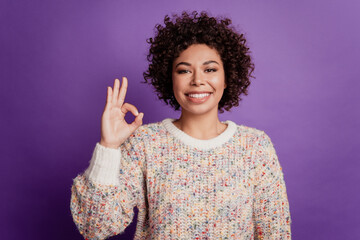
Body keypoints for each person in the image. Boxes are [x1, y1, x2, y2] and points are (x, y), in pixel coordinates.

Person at [70, 11, 292, 240]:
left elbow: (275, 233)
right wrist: (108, 147)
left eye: (210, 69)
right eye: (184, 70)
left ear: (227, 78)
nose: (197, 80)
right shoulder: (146, 143)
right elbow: (95, 227)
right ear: (171, 79)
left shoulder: (255, 147)